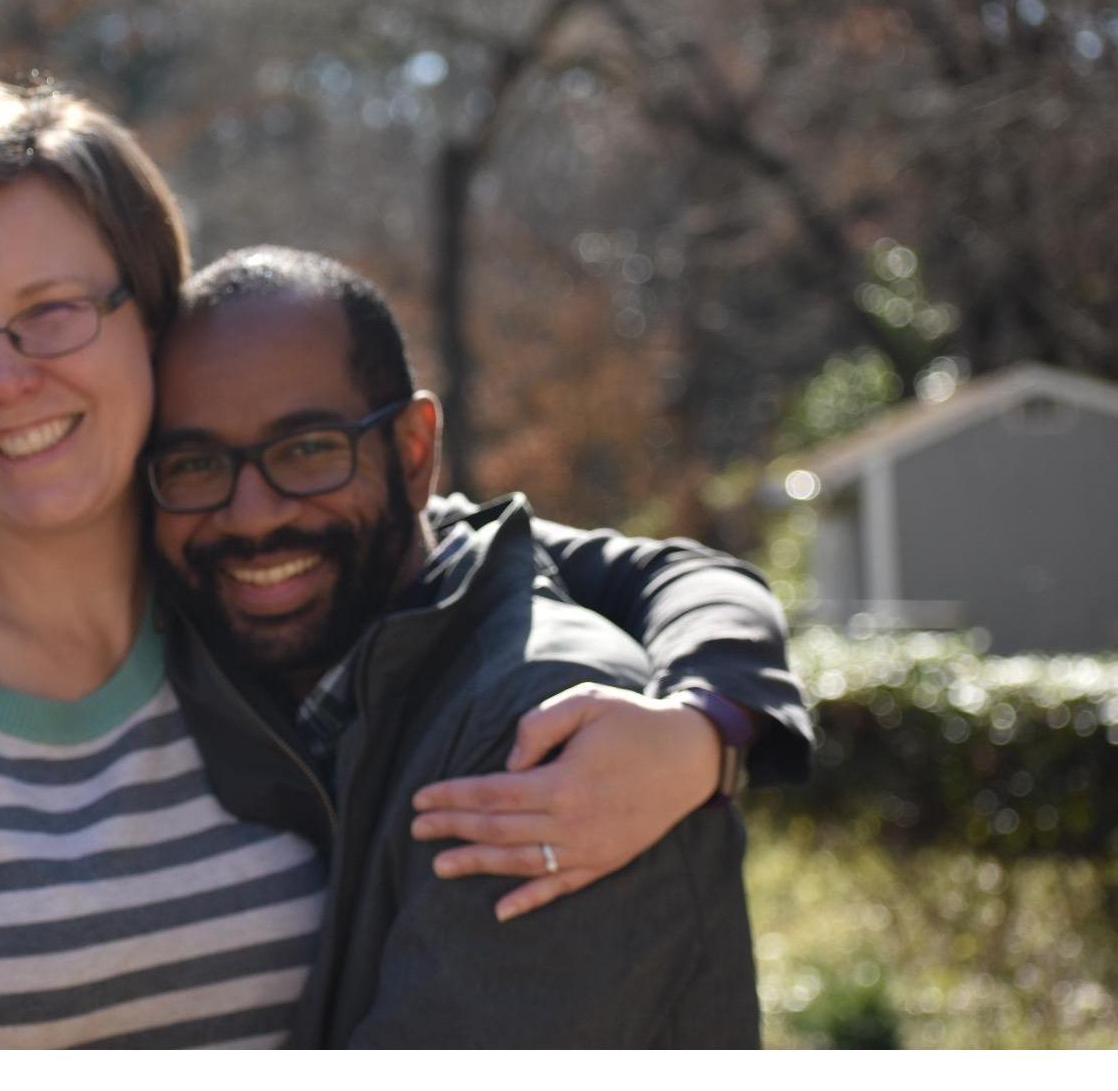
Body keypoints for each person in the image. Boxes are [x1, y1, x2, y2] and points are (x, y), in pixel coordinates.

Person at [0, 80, 807, 1050]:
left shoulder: (259, 582)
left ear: (148, 325)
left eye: (54, 311)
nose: (9, 378)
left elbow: (645, 571)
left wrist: (706, 724)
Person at [147, 248, 794, 1045]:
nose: (250, 515)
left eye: (308, 449)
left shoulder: (549, 747)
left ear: (414, 454)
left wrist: (703, 726)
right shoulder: (193, 644)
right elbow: (669, 570)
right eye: (195, 463)